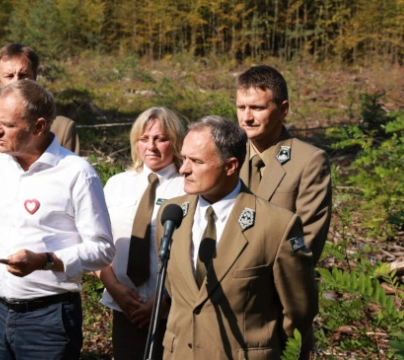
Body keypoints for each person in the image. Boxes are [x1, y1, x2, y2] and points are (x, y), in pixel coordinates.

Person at [0, 79, 114, 359]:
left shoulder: (77, 174)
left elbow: (103, 250)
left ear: (39, 126)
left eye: (7, 125)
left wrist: (46, 260)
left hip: (48, 319)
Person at [158, 116, 318, 359]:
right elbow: (179, 292)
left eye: (196, 161)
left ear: (231, 166)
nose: (183, 169)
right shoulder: (172, 215)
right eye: (184, 158)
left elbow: (299, 310)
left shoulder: (276, 226)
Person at [0, 43, 81, 288]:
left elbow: (72, 197)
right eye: (9, 75)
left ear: (36, 77)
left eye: (23, 75)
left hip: (47, 272)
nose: (16, 81)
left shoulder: (61, 128)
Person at [97, 106, 186, 359]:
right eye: (144, 139)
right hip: (124, 307)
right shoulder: (117, 185)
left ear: (176, 141)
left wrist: (163, 303)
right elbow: (97, 242)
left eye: (161, 138)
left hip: (173, 311)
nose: (151, 146)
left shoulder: (189, 186)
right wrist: (113, 287)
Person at [236, 65, 332, 263]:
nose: (247, 118)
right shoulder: (230, 156)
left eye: (257, 108)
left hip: (276, 286)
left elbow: (305, 241)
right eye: (241, 107)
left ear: (283, 109)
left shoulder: (308, 162)